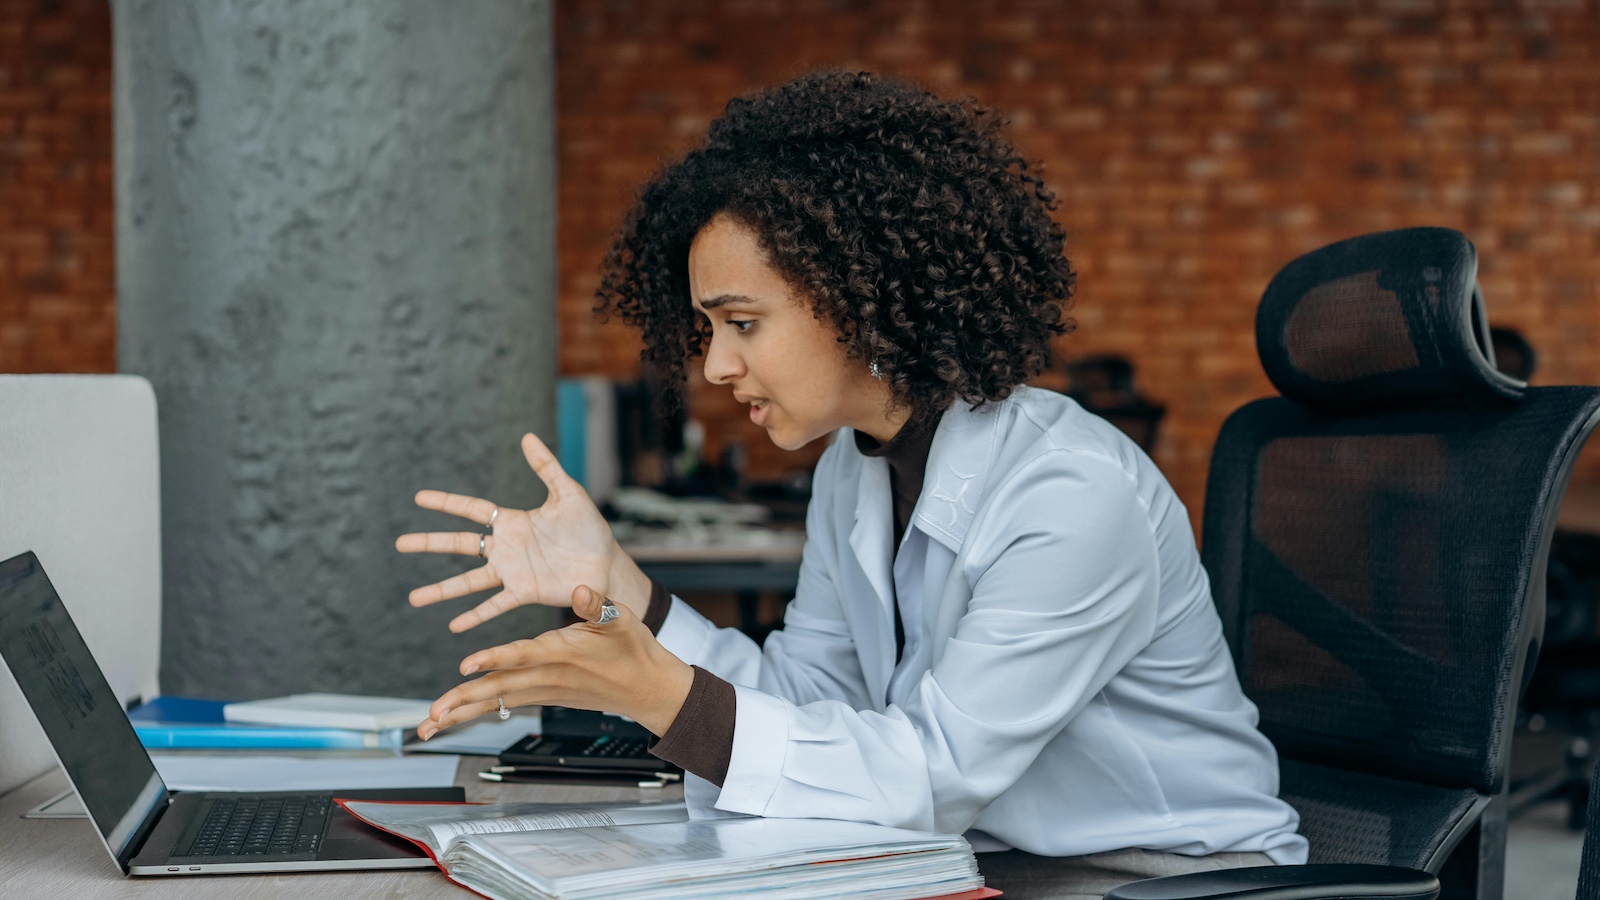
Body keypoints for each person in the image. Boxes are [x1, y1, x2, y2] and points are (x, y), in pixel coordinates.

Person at [396, 71, 1307, 898]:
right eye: (709, 329)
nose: (715, 365)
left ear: (860, 295)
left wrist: (661, 698)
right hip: (999, 864)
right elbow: (808, 700)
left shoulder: (1071, 492)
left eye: (743, 323)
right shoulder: (855, 464)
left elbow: (933, 773)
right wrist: (621, 586)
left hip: (1168, 881)